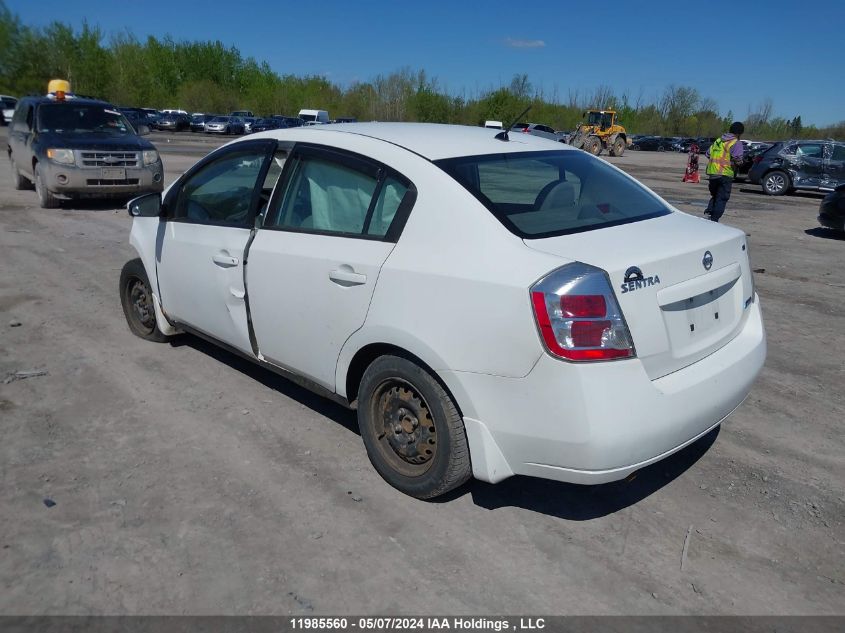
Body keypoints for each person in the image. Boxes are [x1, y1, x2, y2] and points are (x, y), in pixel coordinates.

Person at [704, 122, 745, 222]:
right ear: (739, 133)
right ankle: (713, 221)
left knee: (715, 195)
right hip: (725, 174)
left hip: (713, 174)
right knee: (722, 198)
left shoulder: (718, 140)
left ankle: (710, 212)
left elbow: (708, 154)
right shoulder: (736, 142)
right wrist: (741, 164)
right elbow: (738, 160)